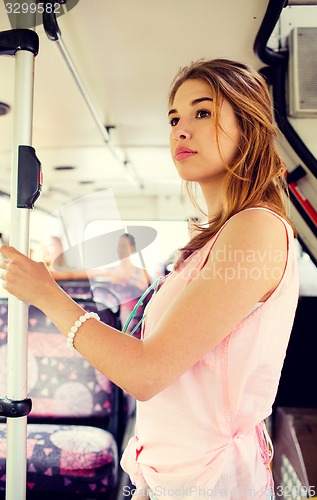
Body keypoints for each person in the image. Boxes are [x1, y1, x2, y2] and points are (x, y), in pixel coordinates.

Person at [0, 59, 299, 499]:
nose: (180, 129)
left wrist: (48, 294)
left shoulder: (256, 228)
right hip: (168, 475)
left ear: (249, 127)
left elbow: (146, 372)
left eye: (203, 112)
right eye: (174, 118)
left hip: (208, 484)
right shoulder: (213, 239)